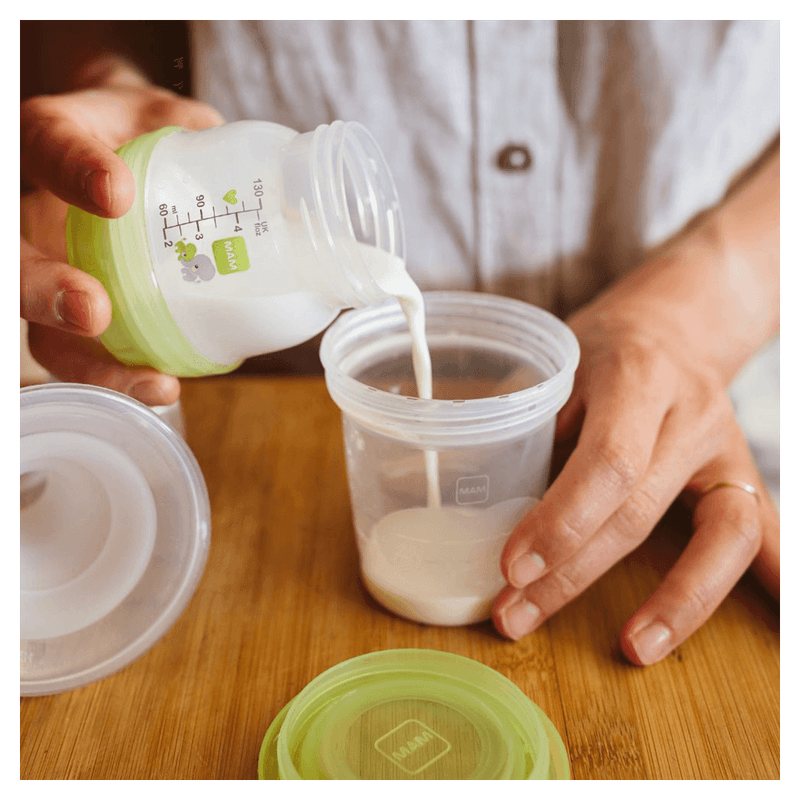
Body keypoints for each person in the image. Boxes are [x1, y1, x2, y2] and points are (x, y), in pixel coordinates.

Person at [19, 19, 780, 666]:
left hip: (700, 410)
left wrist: (702, 308)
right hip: (256, 420)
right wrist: (107, 80)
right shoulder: (299, 287)